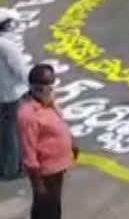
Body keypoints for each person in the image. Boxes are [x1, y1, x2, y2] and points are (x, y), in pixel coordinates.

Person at [17, 63, 78, 219]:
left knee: (54, 205)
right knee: (45, 208)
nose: (52, 90)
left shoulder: (48, 102)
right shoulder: (28, 115)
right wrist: (38, 185)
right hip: (45, 172)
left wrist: (71, 142)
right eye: (49, 87)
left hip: (57, 167)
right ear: (37, 88)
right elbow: (28, 151)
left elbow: (60, 122)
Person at [0, 8, 25, 180]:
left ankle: (5, 166)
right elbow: (20, 70)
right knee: (13, 132)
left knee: (4, 132)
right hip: (10, 94)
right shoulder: (7, 46)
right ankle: (12, 168)